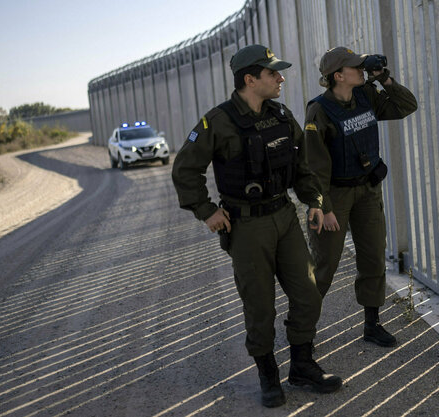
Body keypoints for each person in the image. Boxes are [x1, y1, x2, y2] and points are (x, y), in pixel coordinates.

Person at [171, 44, 341, 408]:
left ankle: (302, 365)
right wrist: (206, 210)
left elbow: (302, 167)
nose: (281, 78)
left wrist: (315, 201)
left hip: (284, 217)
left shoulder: (281, 115)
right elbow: (185, 169)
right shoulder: (217, 122)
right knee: (260, 305)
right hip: (247, 227)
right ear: (250, 79)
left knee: (308, 293)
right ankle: (268, 375)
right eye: (272, 73)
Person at [304, 47, 417, 348]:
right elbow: (314, 167)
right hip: (335, 195)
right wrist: (323, 208)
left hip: (367, 190)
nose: (362, 69)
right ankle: (302, 331)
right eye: (356, 67)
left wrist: (384, 79)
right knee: (324, 264)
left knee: (372, 257)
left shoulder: (366, 94)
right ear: (338, 76)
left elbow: (406, 106)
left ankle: (372, 324)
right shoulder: (319, 110)